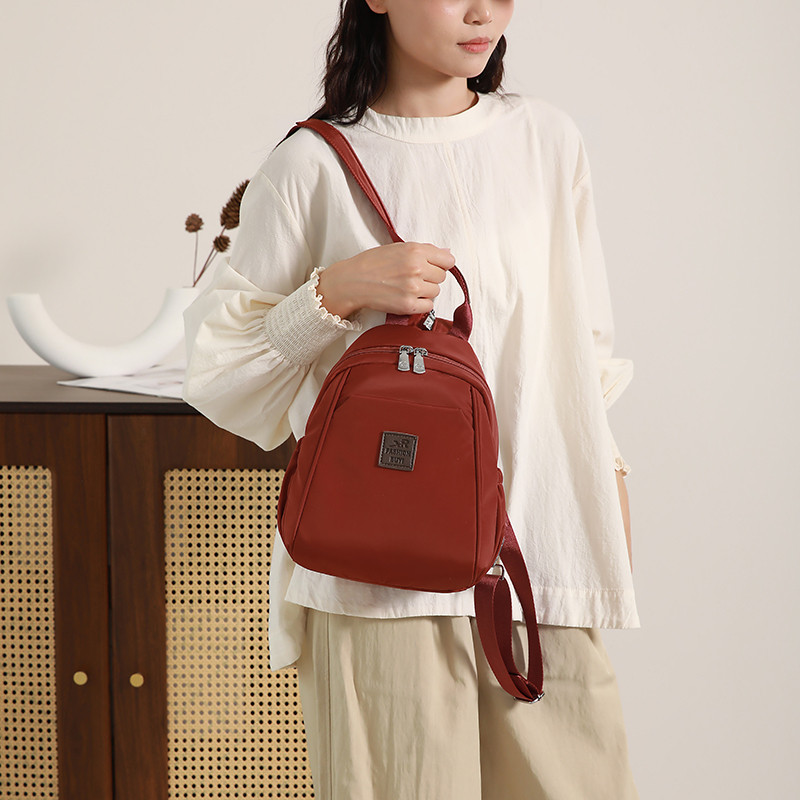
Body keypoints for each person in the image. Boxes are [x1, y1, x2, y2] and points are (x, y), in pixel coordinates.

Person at [181, 1, 641, 798]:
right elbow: (221, 372)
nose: (484, 11)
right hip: (378, 583)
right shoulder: (313, 165)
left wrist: (609, 485)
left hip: (540, 558)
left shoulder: (547, 141)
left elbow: (582, 350)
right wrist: (333, 292)